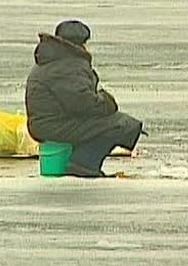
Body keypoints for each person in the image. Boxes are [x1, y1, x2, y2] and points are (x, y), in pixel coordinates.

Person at [25, 19, 144, 177]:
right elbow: (84, 104)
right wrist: (107, 101)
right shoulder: (68, 64)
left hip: (48, 122)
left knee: (110, 122)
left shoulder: (53, 59)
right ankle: (83, 164)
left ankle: (81, 162)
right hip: (53, 125)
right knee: (122, 124)